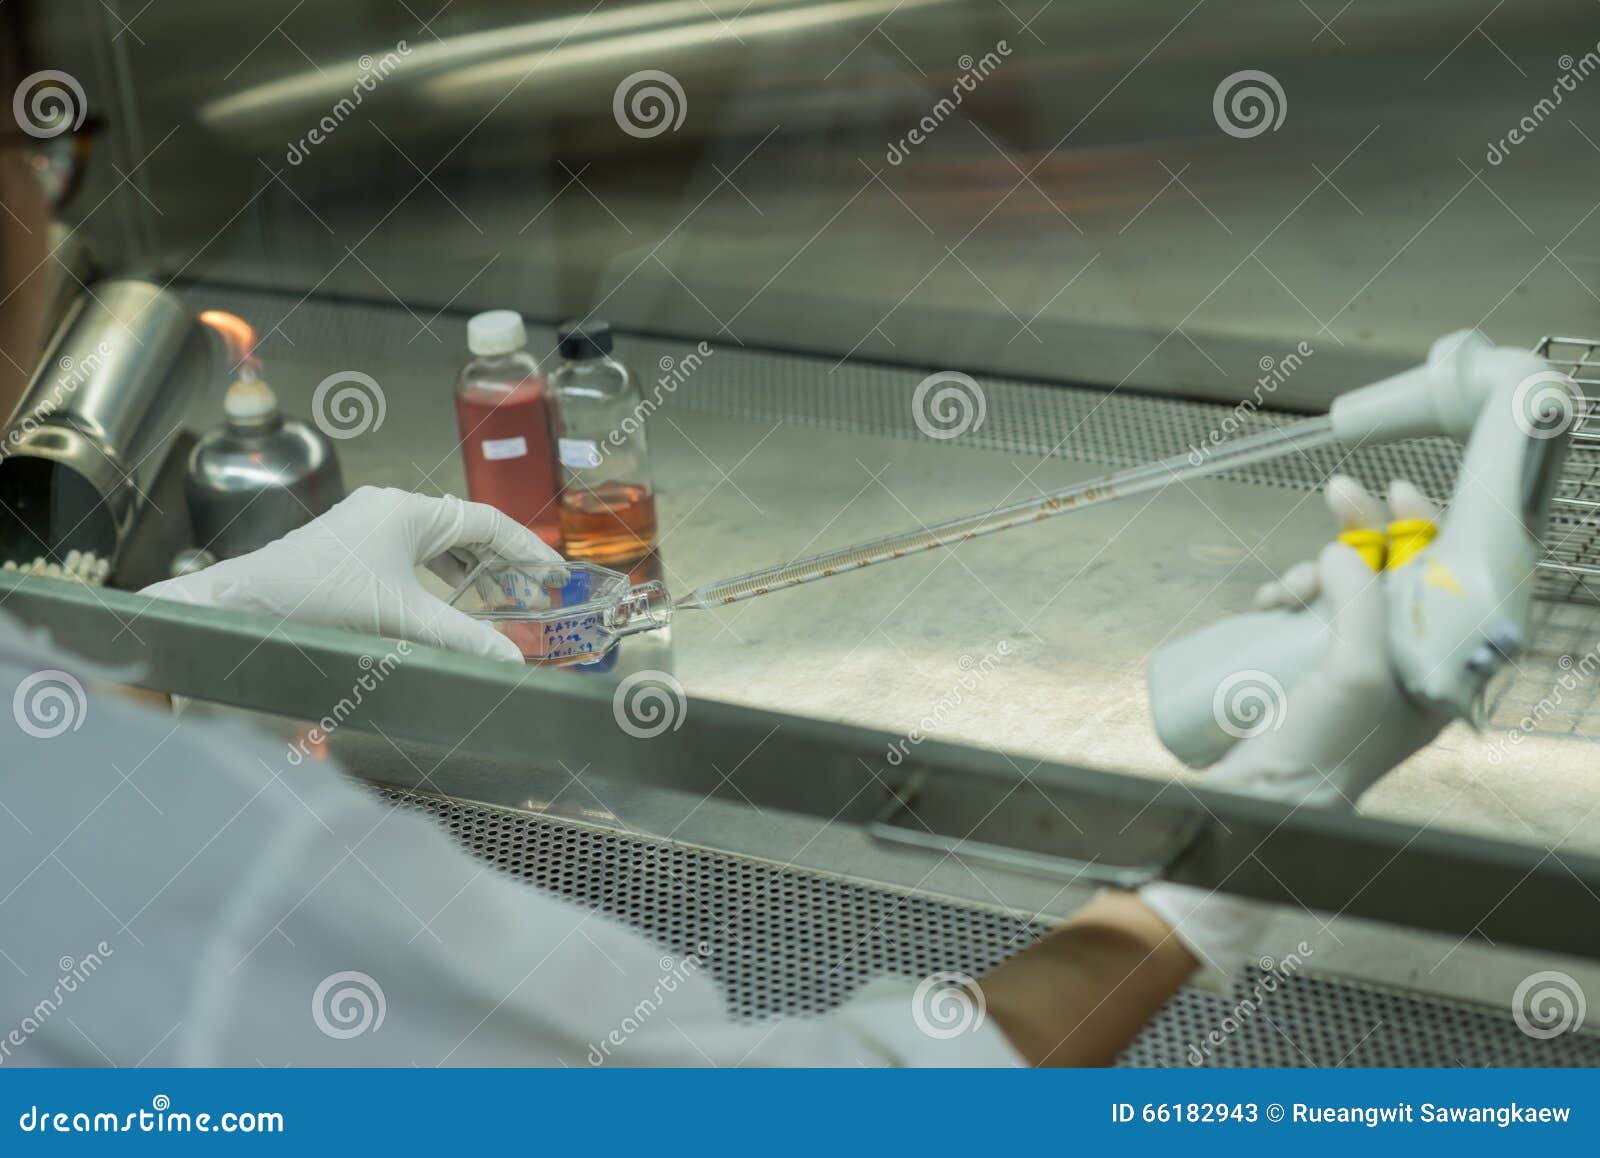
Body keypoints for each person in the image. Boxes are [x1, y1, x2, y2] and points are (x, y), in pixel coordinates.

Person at [0, 10, 1448, 1066]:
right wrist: (1207, 885)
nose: (51, 213)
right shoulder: (172, 872)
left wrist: (187, 644)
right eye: (38, 150)